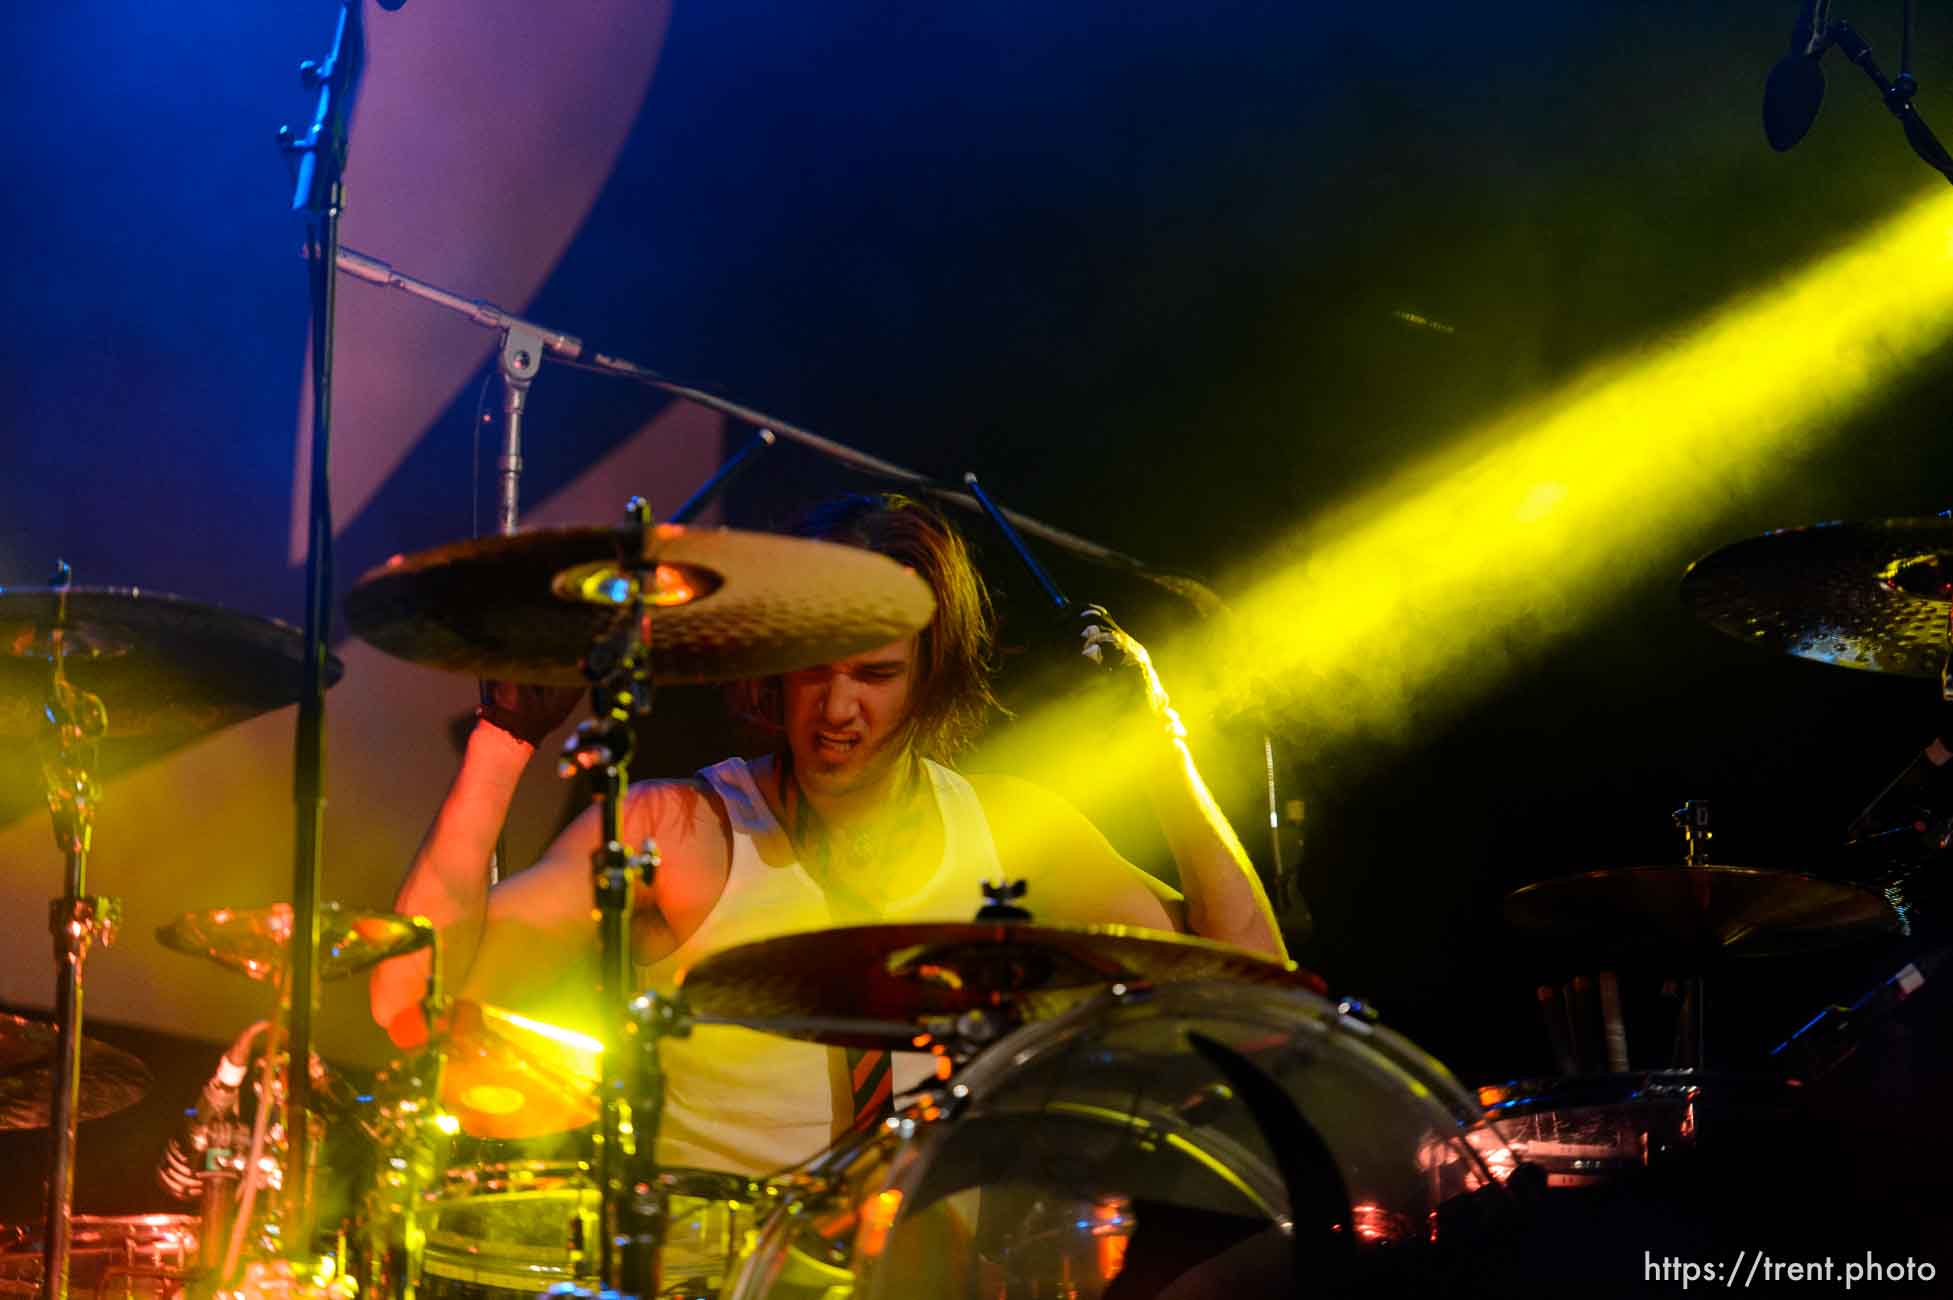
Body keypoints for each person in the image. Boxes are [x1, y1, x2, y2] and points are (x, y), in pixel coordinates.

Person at [369, 493, 1285, 1177]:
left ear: (932, 676)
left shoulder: (1012, 831)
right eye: (814, 671)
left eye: (875, 675)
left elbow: (1259, 1001)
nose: (837, 709)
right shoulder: (682, 830)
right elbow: (411, 1002)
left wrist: (1161, 746)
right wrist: (502, 745)